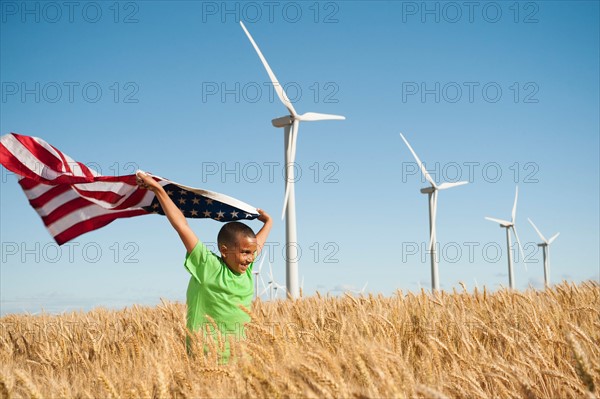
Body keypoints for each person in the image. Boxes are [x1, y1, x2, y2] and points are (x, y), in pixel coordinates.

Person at [135, 171, 273, 362]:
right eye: (244, 252)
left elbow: (257, 244)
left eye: (252, 253)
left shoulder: (247, 268)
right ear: (224, 251)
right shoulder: (207, 265)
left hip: (241, 359)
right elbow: (182, 226)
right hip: (205, 358)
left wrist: (269, 222)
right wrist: (159, 190)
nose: (250, 258)